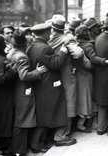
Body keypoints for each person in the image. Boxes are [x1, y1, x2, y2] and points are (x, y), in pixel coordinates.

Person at [27, 22, 76, 150]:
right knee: (46, 115)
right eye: (49, 31)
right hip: (48, 86)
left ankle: (41, 142)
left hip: (40, 84)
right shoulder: (44, 48)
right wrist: (63, 51)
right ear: (44, 33)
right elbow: (55, 64)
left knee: (44, 114)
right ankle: (37, 144)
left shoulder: (33, 46)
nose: (51, 33)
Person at [7, 29, 48, 155]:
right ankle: (18, 150)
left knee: (20, 120)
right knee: (22, 121)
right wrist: (38, 72)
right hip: (24, 91)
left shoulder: (12, 52)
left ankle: (18, 149)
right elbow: (24, 76)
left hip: (16, 90)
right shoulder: (22, 57)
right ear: (24, 44)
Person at [48, 14, 84, 145]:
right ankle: (61, 136)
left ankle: (52, 135)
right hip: (67, 75)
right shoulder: (67, 38)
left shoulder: (48, 38)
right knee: (69, 104)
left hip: (52, 75)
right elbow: (78, 54)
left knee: (56, 104)